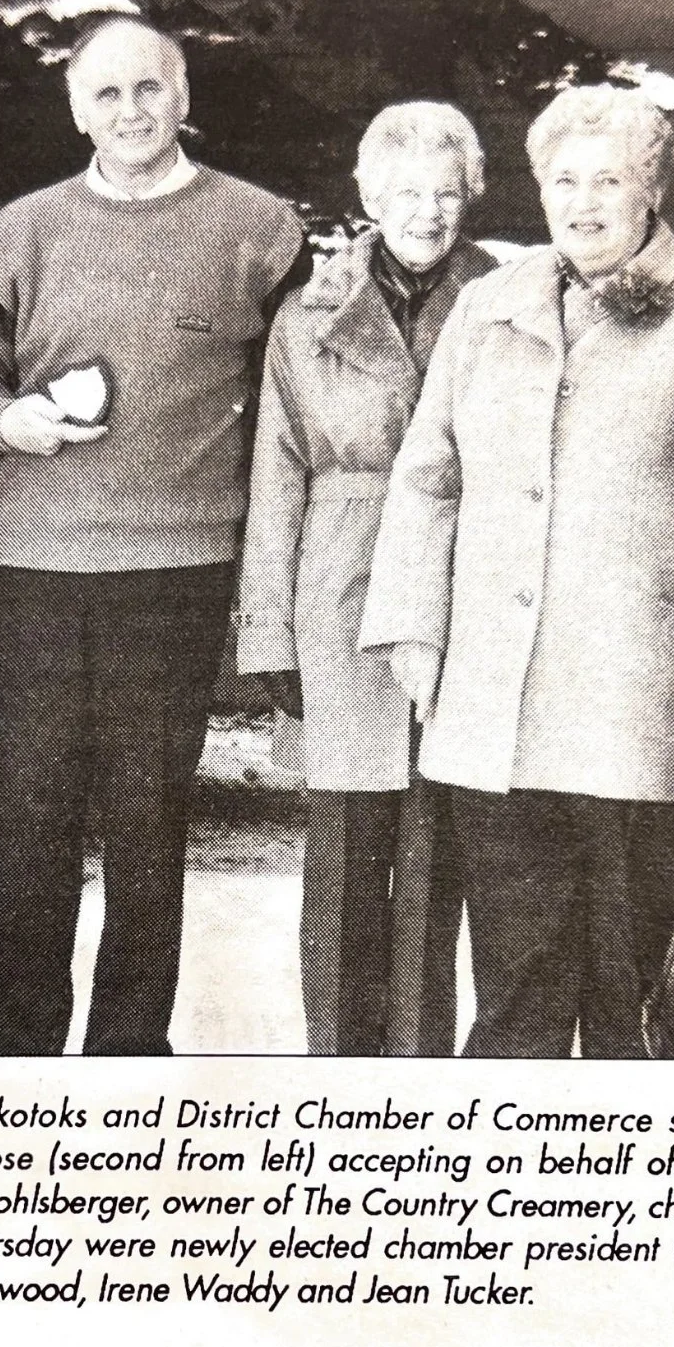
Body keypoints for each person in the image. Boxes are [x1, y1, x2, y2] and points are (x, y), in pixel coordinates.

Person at [0, 14, 306, 1056]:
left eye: (150, 89)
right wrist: (3, 420)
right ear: (75, 109)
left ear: (184, 97)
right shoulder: (19, 234)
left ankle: (131, 1047)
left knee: (149, 817)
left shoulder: (259, 229)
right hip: (40, 565)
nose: (131, 112)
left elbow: (303, 389)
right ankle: (12, 1039)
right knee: (35, 803)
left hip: (178, 570)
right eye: (107, 94)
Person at [359, 83, 674, 1058]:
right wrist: (413, 626)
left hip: (641, 708)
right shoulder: (490, 306)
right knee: (516, 993)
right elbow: (428, 478)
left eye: (609, 178)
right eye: (563, 179)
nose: (583, 200)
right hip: (498, 708)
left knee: (628, 993)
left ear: (651, 189)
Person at [238, 102, 498, 1055]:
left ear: (469, 196)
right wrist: (269, 633)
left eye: (445, 192)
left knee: (437, 859)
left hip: (461, 587)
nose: (425, 213)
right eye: (404, 193)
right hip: (339, 585)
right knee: (345, 853)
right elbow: (275, 475)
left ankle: (417, 1068)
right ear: (368, 198)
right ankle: (339, 1064)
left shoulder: (506, 298)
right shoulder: (307, 316)